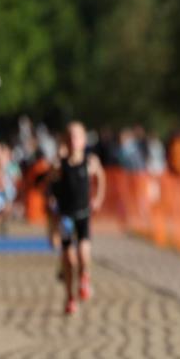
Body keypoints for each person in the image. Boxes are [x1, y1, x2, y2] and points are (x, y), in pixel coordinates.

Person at [50, 122, 106, 315]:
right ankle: (70, 297)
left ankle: (85, 279)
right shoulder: (60, 164)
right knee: (69, 260)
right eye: (70, 137)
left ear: (83, 140)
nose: (74, 141)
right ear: (65, 141)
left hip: (83, 215)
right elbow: (50, 189)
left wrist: (98, 198)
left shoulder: (90, 162)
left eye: (77, 137)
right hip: (66, 217)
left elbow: (101, 177)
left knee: (83, 254)